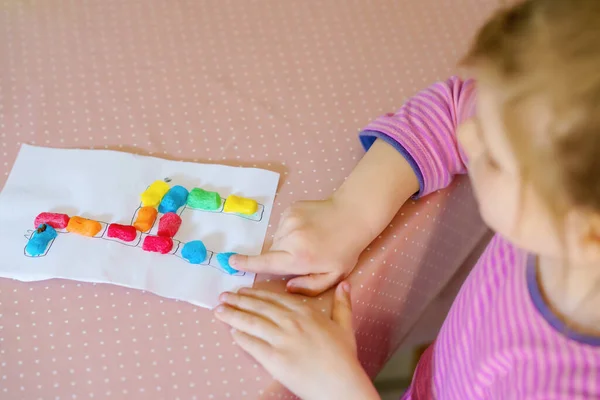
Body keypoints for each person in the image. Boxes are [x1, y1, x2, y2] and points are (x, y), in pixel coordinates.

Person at [213, 0, 600, 398]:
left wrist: (338, 387)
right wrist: (352, 212)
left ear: (589, 235)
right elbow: (453, 110)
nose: (468, 136)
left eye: (496, 159)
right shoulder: (561, 192)